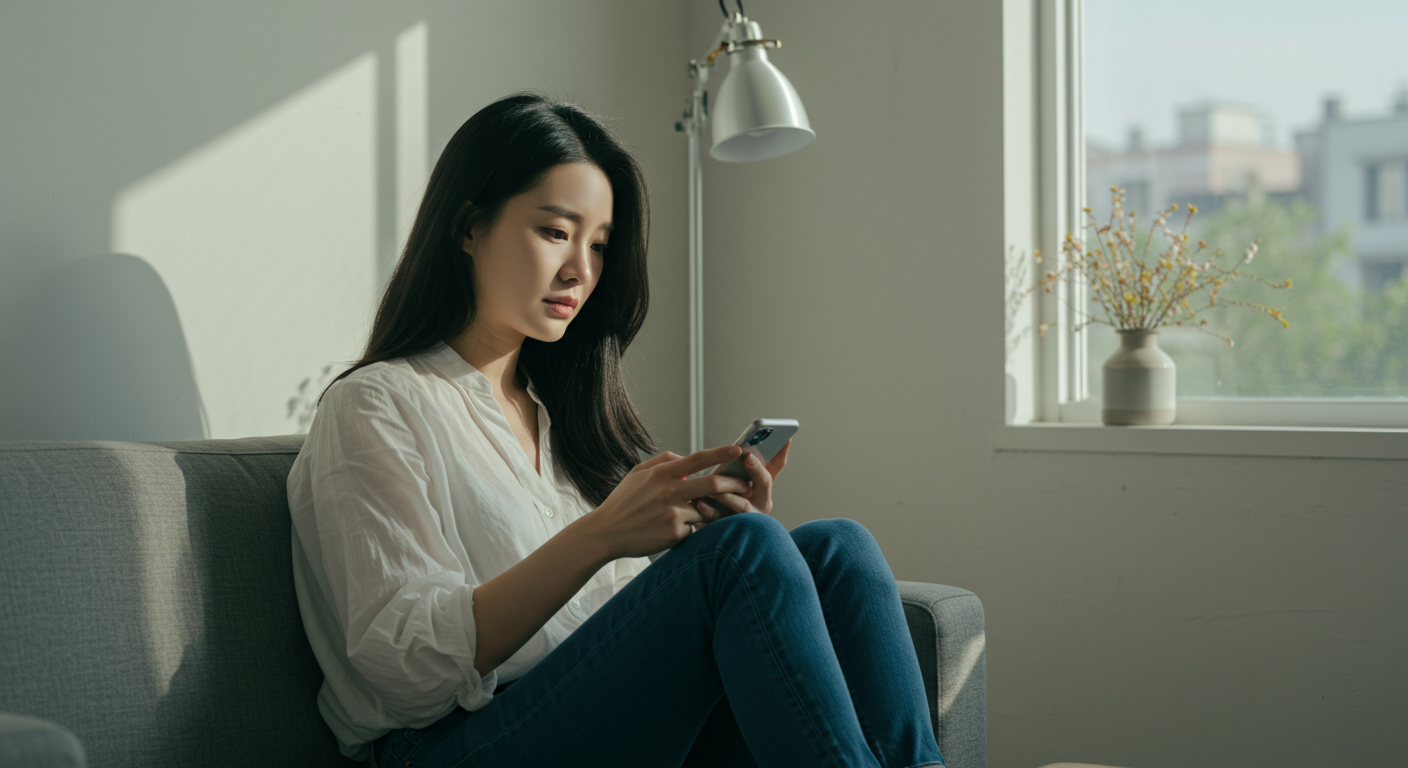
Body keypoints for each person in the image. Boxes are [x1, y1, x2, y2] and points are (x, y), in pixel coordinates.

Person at [287, 92, 943, 768]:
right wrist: (602, 537)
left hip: (590, 721)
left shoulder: (569, 418)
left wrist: (712, 536)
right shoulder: (375, 406)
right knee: (743, 551)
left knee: (838, 549)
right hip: (451, 744)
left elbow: (631, 637)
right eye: (554, 231)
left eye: (599, 245)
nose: (581, 270)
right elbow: (404, 672)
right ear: (468, 227)